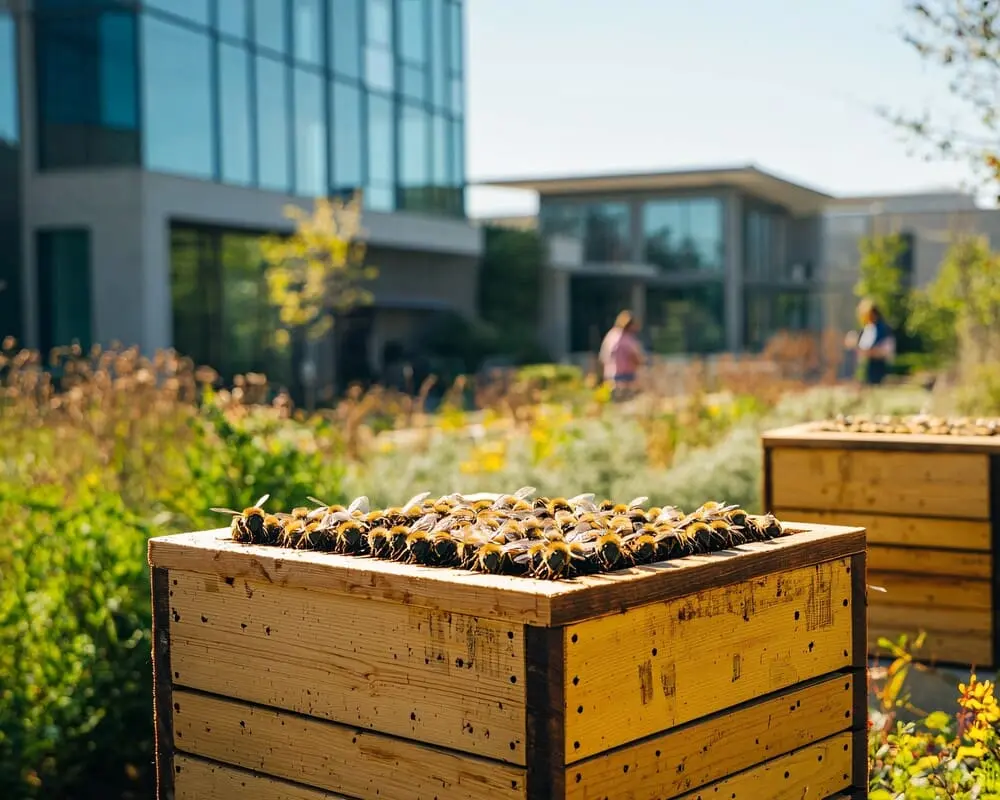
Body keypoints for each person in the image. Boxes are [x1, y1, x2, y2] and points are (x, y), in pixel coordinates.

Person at [845, 299, 895, 386]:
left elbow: (885, 351)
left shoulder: (882, 329)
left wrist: (864, 350)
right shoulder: (867, 328)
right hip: (865, 370)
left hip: (878, 370)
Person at [599, 310, 645, 400]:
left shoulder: (610, 336)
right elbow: (636, 358)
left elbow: (602, 358)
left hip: (610, 378)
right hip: (626, 379)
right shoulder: (627, 339)